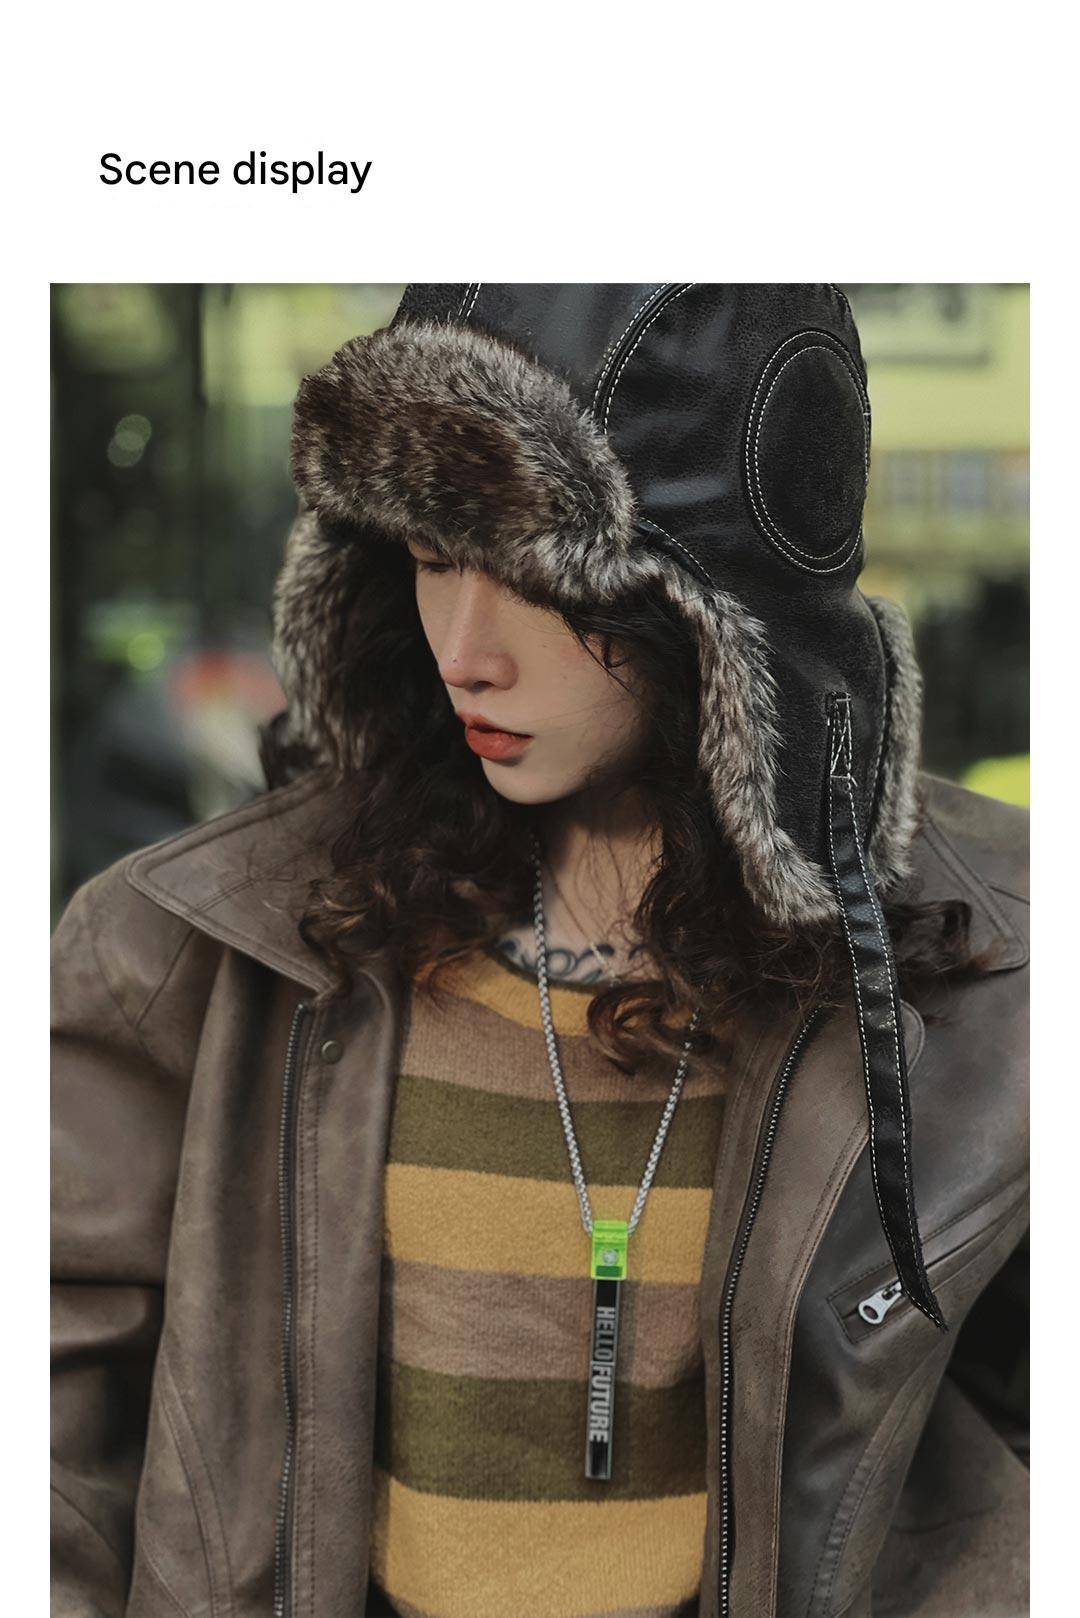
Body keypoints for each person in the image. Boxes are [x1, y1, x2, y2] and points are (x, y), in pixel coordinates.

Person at [51, 284, 1029, 1618]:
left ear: (718, 607)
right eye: (427, 555)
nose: (464, 650)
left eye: (535, 576)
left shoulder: (990, 975)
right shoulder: (198, 953)